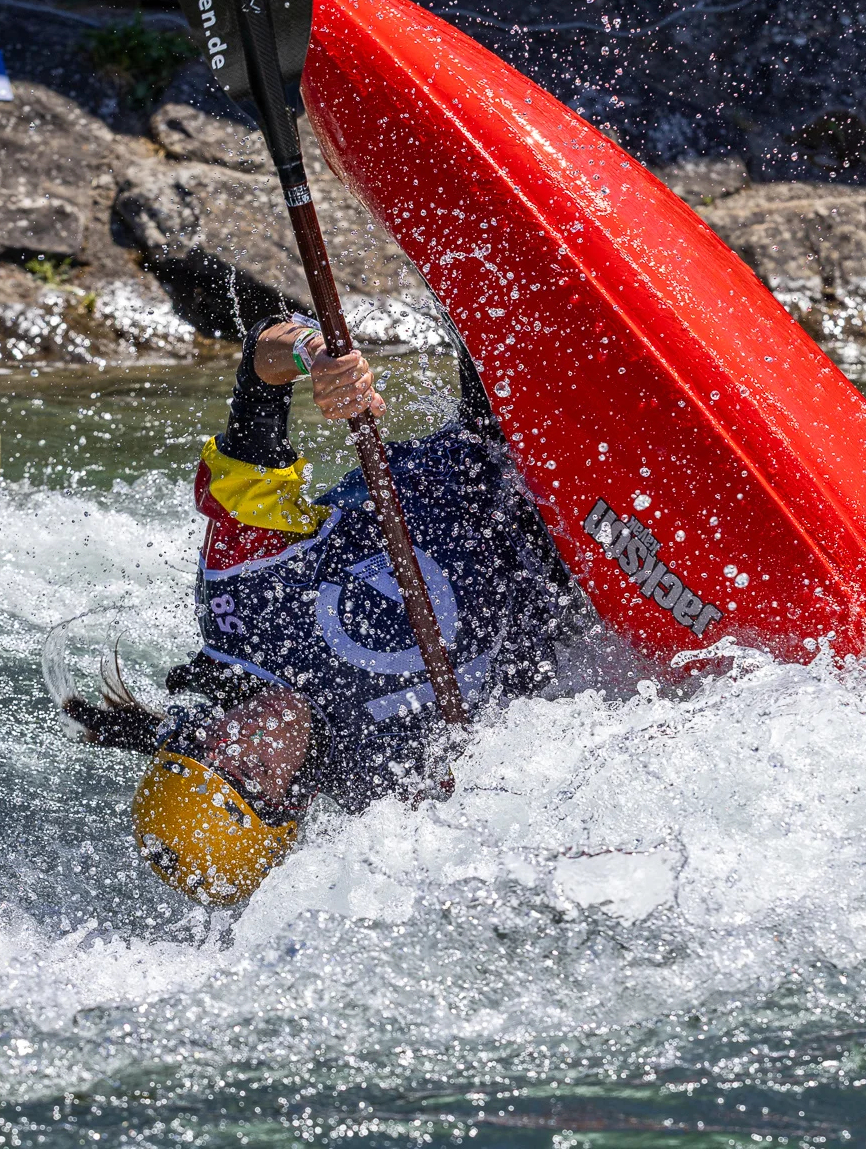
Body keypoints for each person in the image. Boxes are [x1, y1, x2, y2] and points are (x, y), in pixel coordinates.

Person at [56, 316, 586, 905]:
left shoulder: (243, 594)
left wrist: (316, 358)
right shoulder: (391, 788)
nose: (238, 742)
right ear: (293, 801)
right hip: (598, 572)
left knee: (502, 305)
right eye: (249, 774)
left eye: (205, 747)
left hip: (500, 441)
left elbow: (262, 361)